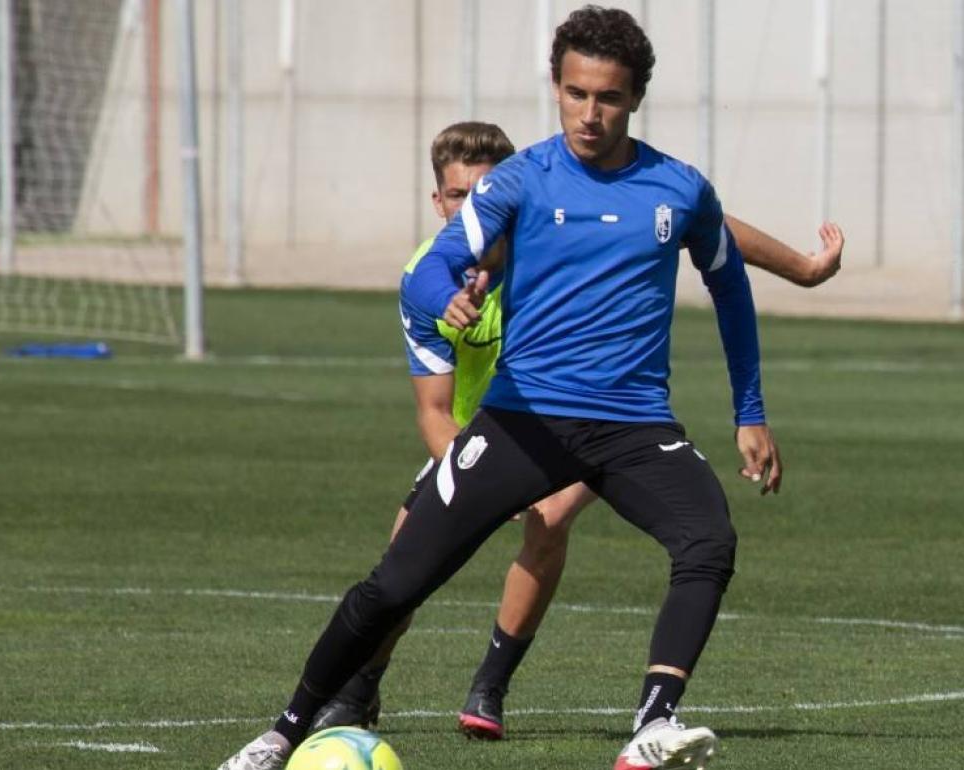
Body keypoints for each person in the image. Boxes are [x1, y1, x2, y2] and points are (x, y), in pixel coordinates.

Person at [218, 7, 809, 768]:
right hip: (522, 421)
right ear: (556, 87)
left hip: (632, 427)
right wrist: (446, 299)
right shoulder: (521, 179)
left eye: (608, 98)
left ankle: (653, 726)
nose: (589, 113)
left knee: (708, 541)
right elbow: (436, 263)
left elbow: (730, 289)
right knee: (396, 584)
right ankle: (282, 733)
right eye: (574, 93)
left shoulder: (680, 190)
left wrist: (750, 412)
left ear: (635, 98)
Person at [309, 122, 843, 742]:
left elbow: (702, 223)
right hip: (484, 431)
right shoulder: (432, 280)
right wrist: (486, 476)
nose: (473, 206)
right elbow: (433, 411)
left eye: (483, 191)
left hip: (587, 423)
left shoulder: (558, 242)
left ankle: (491, 684)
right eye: (459, 197)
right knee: (406, 554)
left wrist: (803, 269)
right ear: (442, 205)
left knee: (552, 517)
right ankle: (360, 688)